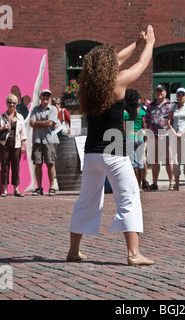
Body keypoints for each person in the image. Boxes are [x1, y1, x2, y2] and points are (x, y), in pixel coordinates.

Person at [67, 25, 155, 266]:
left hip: (92, 154)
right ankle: (133, 254)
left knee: (86, 200)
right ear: (108, 66)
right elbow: (142, 65)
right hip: (114, 152)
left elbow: (114, 60)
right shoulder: (117, 82)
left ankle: (74, 250)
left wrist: (136, 45)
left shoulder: (87, 85)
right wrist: (148, 45)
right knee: (129, 198)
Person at [0, 94, 27, 197]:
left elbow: (23, 133)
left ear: (16, 104)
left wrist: (23, 145)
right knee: (5, 167)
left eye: (13, 103)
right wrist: (3, 127)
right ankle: (5, 189)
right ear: (6, 103)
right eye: (9, 102)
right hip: (5, 144)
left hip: (16, 144)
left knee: (16, 167)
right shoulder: (2, 117)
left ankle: (16, 189)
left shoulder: (20, 117)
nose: (11, 104)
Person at [29, 89, 60, 196]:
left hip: (49, 140)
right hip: (37, 140)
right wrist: (45, 123)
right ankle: (39, 188)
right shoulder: (34, 109)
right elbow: (31, 124)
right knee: (37, 164)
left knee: (50, 163)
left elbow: (50, 123)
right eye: (44, 95)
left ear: (50, 98)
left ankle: (52, 187)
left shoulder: (53, 109)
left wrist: (38, 123)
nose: (46, 97)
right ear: (40, 97)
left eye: (48, 95)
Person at [144, 84, 174, 191]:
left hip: (166, 136)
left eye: (161, 91)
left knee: (168, 160)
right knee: (155, 161)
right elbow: (147, 120)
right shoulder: (150, 106)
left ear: (165, 92)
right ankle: (155, 183)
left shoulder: (171, 105)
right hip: (153, 136)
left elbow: (174, 121)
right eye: (157, 91)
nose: (159, 93)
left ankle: (171, 183)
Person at [167, 88, 185, 191]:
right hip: (175, 135)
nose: (181, 96)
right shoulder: (173, 107)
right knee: (175, 159)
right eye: (179, 94)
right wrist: (174, 132)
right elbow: (169, 121)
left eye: (183, 94)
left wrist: (182, 132)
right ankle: (176, 185)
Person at [124, 88, 147, 192]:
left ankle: (135, 187)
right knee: (140, 163)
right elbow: (144, 126)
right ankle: (140, 186)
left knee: (133, 164)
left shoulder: (125, 112)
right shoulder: (141, 111)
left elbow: (124, 129)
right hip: (139, 137)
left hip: (129, 137)